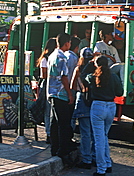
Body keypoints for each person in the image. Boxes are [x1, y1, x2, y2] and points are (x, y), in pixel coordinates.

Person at [86, 55, 123, 175]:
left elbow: (82, 77)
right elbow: (119, 92)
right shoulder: (113, 77)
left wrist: (89, 64)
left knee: (99, 139)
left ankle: (101, 168)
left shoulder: (93, 77)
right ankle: (107, 163)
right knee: (104, 136)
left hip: (98, 106)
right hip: (111, 106)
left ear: (95, 64)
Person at [47, 33, 77, 166]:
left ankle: (55, 148)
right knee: (64, 124)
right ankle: (63, 151)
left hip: (52, 93)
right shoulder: (62, 57)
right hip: (61, 94)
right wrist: (70, 94)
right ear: (67, 43)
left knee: (55, 122)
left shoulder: (52, 55)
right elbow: (64, 78)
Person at [71, 47, 98, 169]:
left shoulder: (78, 69)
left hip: (82, 100)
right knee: (94, 132)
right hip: (94, 101)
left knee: (85, 132)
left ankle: (86, 159)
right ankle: (94, 157)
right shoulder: (97, 70)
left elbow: (72, 85)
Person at [35, 37, 57, 143]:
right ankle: (49, 133)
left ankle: (51, 133)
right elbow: (43, 75)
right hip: (48, 84)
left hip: (50, 83)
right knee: (48, 110)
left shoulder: (49, 58)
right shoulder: (46, 58)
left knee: (51, 111)